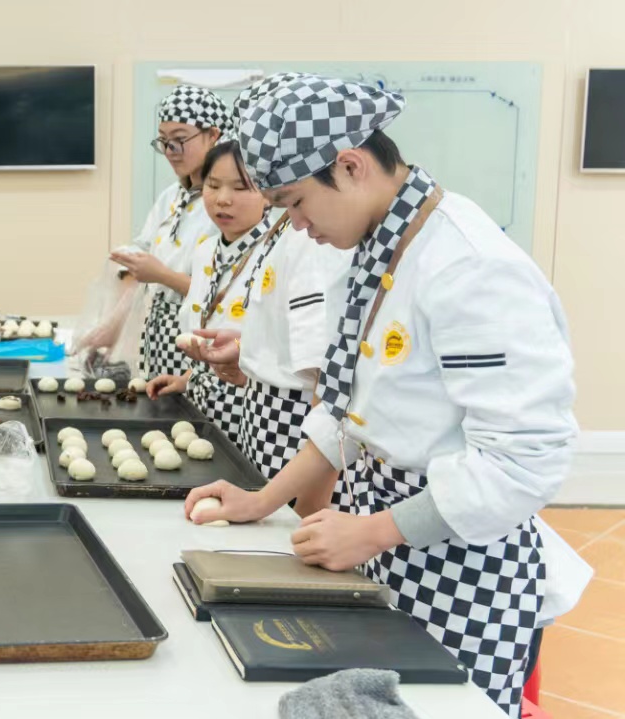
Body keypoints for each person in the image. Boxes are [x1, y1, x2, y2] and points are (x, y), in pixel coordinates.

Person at [184, 75, 579, 717]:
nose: (297, 226)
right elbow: (349, 409)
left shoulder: (467, 265)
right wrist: (265, 498)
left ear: (351, 165)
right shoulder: (377, 246)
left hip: (461, 563)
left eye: (296, 203)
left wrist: (375, 531)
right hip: (383, 538)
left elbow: (522, 462)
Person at [148, 77, 352, 481]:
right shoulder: (220, 248)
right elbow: (261, 345)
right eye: (213, 185)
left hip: (285, 422)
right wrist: (195, 377)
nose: (223, 199)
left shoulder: (305, 241)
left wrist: (311, 495)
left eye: (243, 187)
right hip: (242, 412)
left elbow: (317, 374)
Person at [80, 86, 231, 381]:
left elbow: (230, 295)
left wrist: (161, 274)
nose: (170, 151)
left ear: (213, 135)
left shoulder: (227, 206)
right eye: (163, 142)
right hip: (159, 344)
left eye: (179, 139)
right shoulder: (171, 197)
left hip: (208, 347)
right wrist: (111, 328)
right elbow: (140, 269)